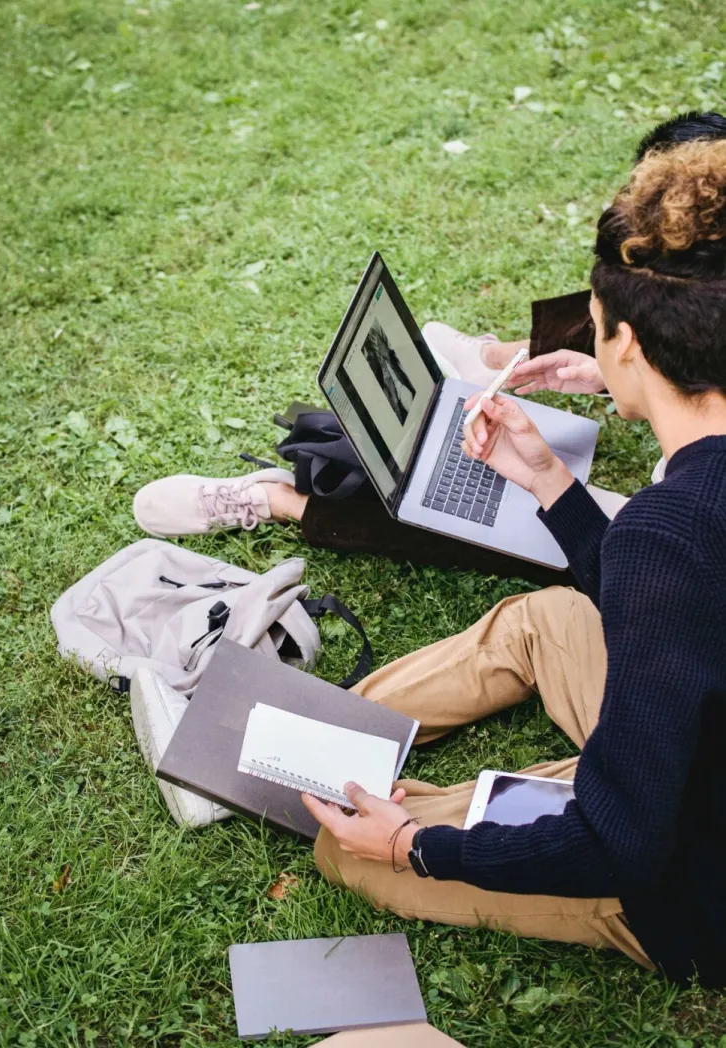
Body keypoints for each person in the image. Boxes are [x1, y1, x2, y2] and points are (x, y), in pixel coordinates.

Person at [297, 138, 726, 987]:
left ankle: (334, 791)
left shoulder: (668, 532)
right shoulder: (678, 527)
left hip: (691, 885)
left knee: (345, 854)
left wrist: (410, 846)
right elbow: (677, 600)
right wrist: (545, 482)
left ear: (627, 347)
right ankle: (305, 737)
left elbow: (622, 843)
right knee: (550, 619)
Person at [132, 113, 726, 587]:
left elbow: (625, 593)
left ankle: (280, 499)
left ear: (629, 345)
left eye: (601, 329)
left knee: (481, 524)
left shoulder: (667, 537)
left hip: (667, 541)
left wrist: (552, 489)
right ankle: (500, 363)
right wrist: (589, 402)